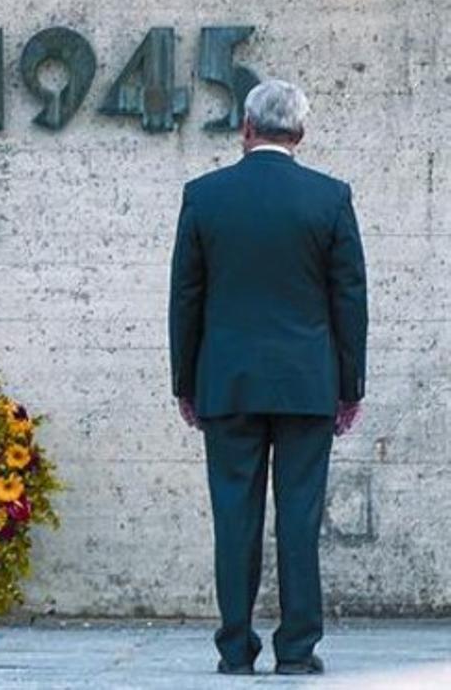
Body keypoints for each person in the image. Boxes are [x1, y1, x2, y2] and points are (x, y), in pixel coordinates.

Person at [169, 79, 368, 676]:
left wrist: (185, 381)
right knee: (300, 516)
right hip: (307, 382)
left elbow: (186, 296)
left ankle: (234, 649)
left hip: (227, 381)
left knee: (234, 515)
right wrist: (349, 386)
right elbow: (349, 298)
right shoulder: (329, 198)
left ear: (246, 128)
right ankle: (298, 650)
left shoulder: (204, 196)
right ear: (300, 135)